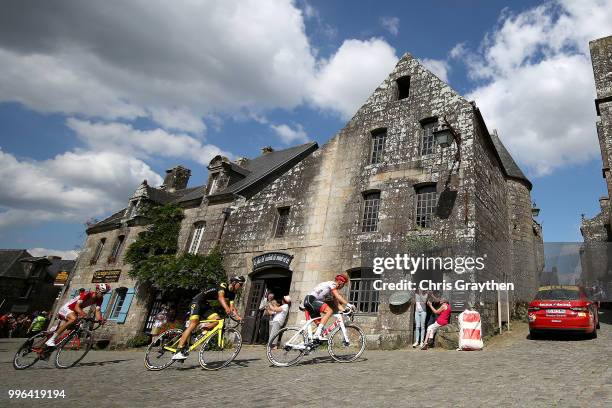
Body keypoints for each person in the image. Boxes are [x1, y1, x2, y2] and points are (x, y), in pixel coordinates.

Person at [172, 276, 245, 360]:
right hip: (197, 302)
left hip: (205, 305)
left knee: (217, 320)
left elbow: (232, 308)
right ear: (234, 282)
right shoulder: (223, 285)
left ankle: (201, 332)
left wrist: (238, 317)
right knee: (193, 324)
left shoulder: (232, 293)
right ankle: (178, 350)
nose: (241, 286)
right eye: (240, 284)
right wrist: (226, 308)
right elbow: (220, 297)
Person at [45, 283, 110, 347]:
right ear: (97, 290)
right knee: (73, 319)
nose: (103, 295)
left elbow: (97, 310)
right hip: (67, 308)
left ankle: (51, 332)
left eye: (104, 293)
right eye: (102, 293)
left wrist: (100, 319)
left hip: (74, 311)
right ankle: (51, 339)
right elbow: (76, 307)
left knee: (71, 327)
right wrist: (83, 314)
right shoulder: (87, 294)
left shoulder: (100, 299)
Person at [303, 274, 353, 341]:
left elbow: (337, 304)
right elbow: (338, 296)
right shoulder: (332, 284)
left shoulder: (331, 291)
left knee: (320, 325)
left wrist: (345, 311)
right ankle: (317, 334)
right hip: (311, 300)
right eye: (343, 284)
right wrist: (349, 304)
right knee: (329, 311)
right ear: (340, 282)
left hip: (311, 302)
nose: (343, 286)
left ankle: (311, 340)